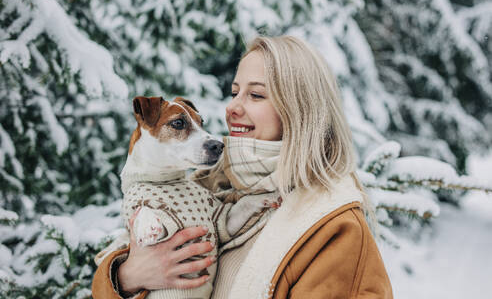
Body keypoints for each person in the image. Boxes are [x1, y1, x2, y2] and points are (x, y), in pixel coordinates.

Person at [92, 35, 393, 298]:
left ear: (300, 110)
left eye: (256, 95)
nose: (232, 107)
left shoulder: (332, 229)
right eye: (235, 92)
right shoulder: (202, 186)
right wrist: (126, 278)